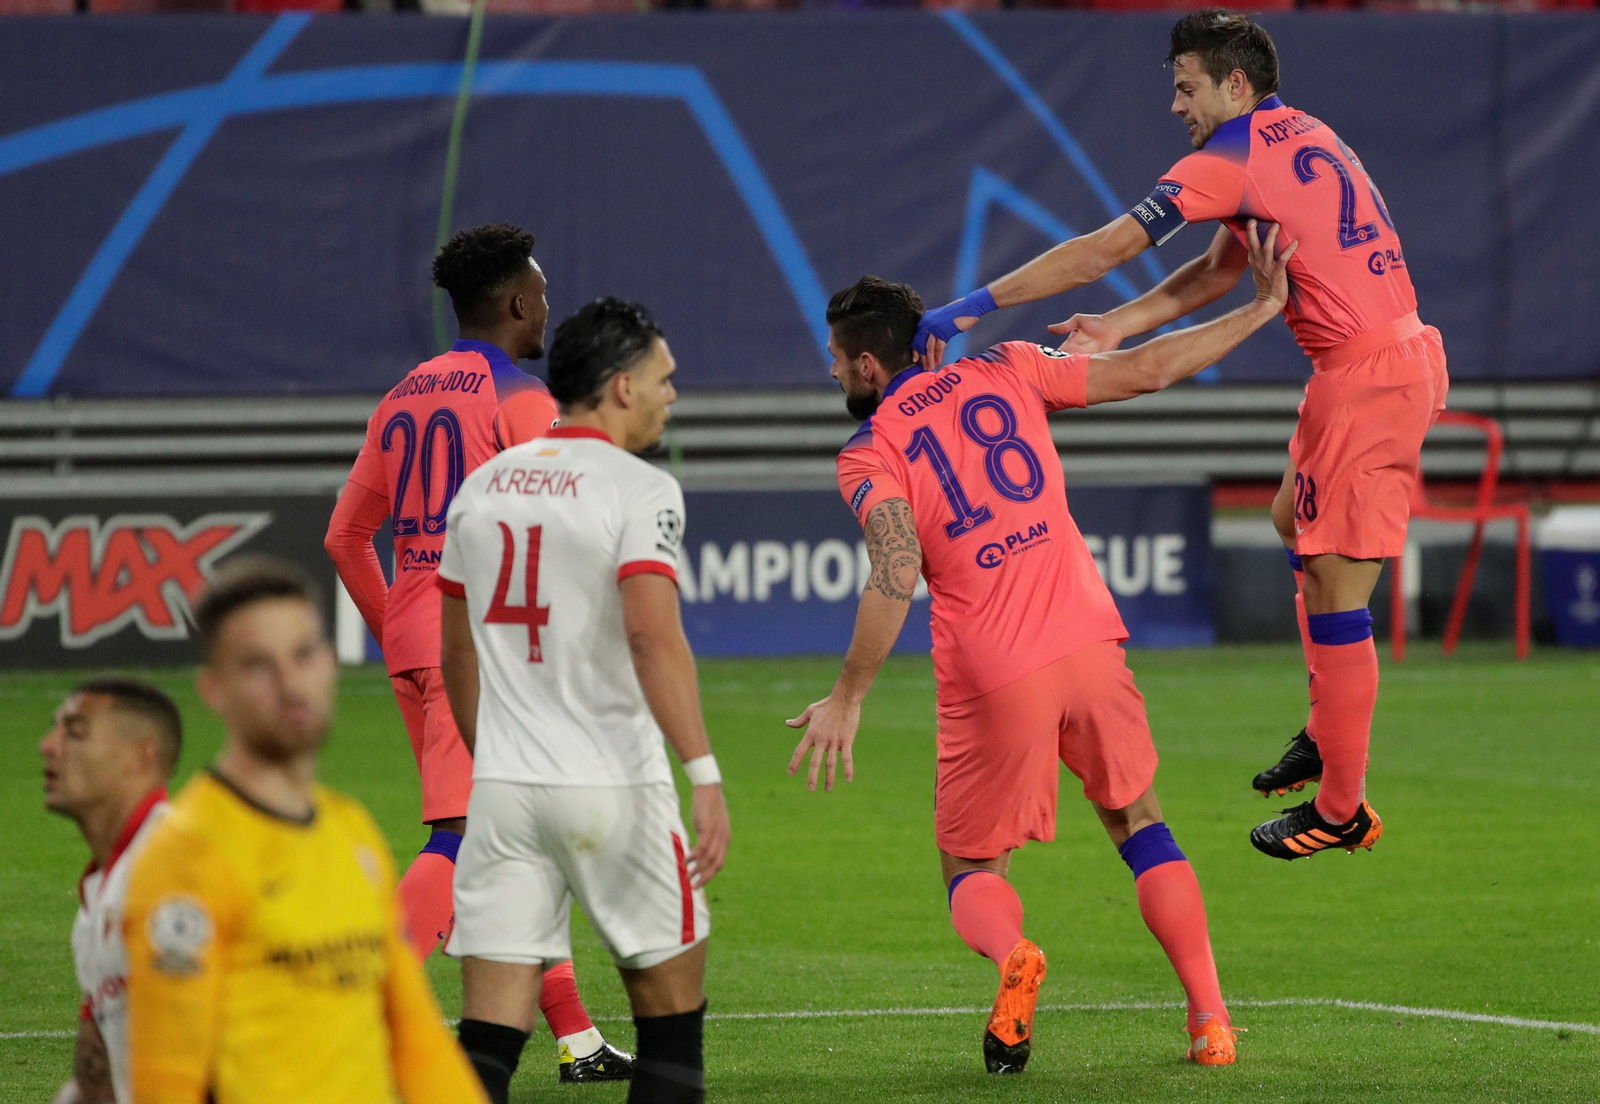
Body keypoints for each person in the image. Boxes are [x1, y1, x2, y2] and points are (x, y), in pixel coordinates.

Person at [914, 8, 1447, 860]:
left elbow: (1100, 249)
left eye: (1186, 86)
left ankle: (1342, 805)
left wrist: (971, 306)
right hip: (1368, 365)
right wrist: (1121, 326)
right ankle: (1327, 731)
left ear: (1235, 85)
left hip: (1370, 377)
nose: (1176, 105)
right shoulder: (1298, 133)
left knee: (1337, 586)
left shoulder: (1227, 158)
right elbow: (1221, 269)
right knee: (1291, 525)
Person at [788, 222, 1293, 1072]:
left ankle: (1014, 958)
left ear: (868, 365)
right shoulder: (1009, 368)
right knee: (1140, 823)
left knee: (971, 863)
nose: (833, 372)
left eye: (837, 359)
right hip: (1090, 639)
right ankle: (1210, 1020)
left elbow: (896, 565)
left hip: (994, 664)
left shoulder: (869, 450)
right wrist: (1264, 306)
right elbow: (1152, 367)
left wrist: (848, 695)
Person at [325, 222, 630, 1079]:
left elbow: (346, 538)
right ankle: (355, 1015)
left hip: (420, 638)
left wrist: (401, 638)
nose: (547, 310)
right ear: (517, 303)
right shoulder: (519, 399)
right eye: (540, 295)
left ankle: (575, 1039)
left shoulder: (401, 397)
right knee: (461, 837)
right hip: (491, 648)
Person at [437, 298, 730, 1104]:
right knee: (671, 1031)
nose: (673, 396)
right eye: (664, 381)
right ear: (621, 386)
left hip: (503, 793)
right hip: (614, 788)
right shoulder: (640, 490)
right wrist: (702, 770)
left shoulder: (480, 491)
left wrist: (494, 755)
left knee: (487, 1045)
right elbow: (652, 638)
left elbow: (454, 652)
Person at [120, 557, 487, 1104]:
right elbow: (167, 1084)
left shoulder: (352, 833)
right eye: (256, 666)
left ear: (330, 663)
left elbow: (418, 1045)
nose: (291, 684)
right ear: (213, 690)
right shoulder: (186, 859)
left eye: (304, 654)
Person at [42, 679, 182, 1104]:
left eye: (76, 732)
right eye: (55, 729)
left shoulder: (176, 872)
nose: (48, 746)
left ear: (140, 757)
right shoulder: (97, 899)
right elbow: (95, 1079)